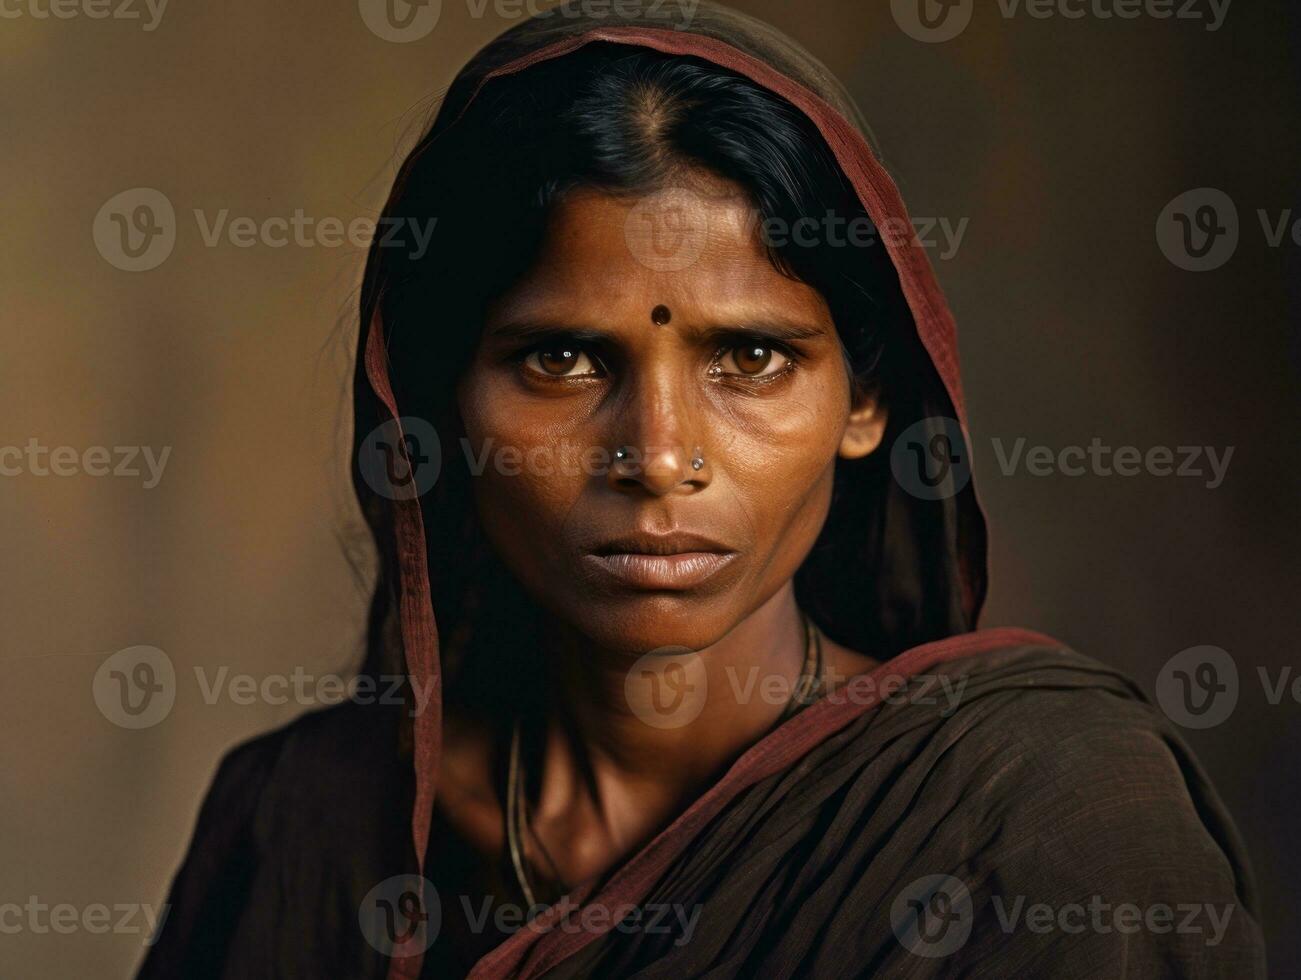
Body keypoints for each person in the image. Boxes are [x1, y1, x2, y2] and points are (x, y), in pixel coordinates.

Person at [138, 3, 1266, 977]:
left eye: (752, 359)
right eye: (562, 359)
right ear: (439, 405)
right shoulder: (305, 822)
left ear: (864, 402)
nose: (659, 454)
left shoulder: (1042, 826)